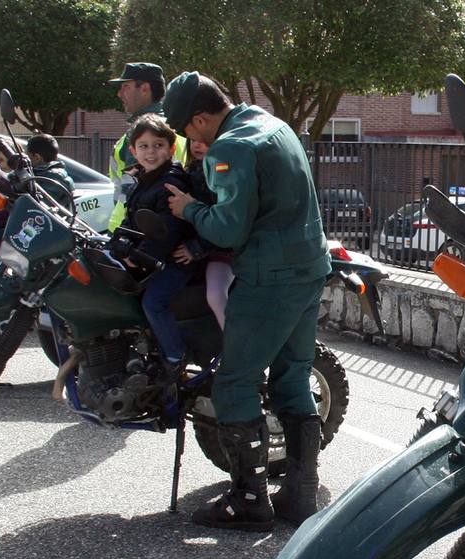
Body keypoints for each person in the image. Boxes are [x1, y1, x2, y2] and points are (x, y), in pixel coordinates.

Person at [163, 71, 332, 530]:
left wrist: (189, 210)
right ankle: (299, 496)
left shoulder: (230, 146)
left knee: (234, 383)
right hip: (308, 269)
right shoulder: (272, 124)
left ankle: (249, 500)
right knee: (292, 378)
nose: (185, 138)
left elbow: (228, 228)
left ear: (200, 118)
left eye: (184, 129)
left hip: (269, 277)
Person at [123, 115, 199, 375]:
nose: (151, 152)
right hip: (153, 259)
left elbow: (166, 229)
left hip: (175, 260)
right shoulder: (144, 182)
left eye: (158, 145)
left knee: (153, 301)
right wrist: (115, 245)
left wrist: (140, 256)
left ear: (171, 148)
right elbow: (130, 220)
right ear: (133, 150)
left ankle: (175, 356)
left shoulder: (170, 182)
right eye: (143, 146)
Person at [106, 63, 188, 232]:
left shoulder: (141, 135)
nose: (119, 93)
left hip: (134, 235)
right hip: (164, 230)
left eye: (125, 87)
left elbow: (135, 196)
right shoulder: (177, 128)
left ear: (144, 88)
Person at [173, 138, 233, 328]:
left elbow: (220, 222)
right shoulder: (189, 171)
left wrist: (196, 248)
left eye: (204, 140)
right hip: (204, 249)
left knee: (216, 295)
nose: (197, 145)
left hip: (222, 251)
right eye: (192, 141)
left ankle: (237, 349)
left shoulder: (222, 176)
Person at [26, 133, 76, 212]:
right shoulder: (53, 173)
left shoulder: (52, 177)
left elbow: (38, 205)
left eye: (28, 156)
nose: (26, 160)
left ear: (37, 157)